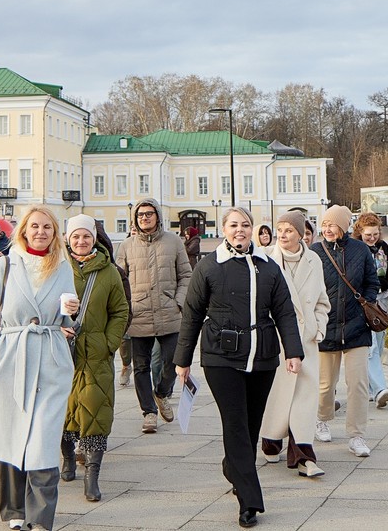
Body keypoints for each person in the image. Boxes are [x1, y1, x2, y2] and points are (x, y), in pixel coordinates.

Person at [174, 207, 304, 529]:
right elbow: (191, 314)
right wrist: (183, 359)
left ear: (253, 229)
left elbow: (285, 311)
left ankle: (234, 467)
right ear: (223, 229)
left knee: (249, 425)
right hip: (221, 357)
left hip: (262, 358)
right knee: (234, 423)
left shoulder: (268, 267)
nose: (240, 230)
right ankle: (249, 501)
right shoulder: (209, 267)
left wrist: (294, 352)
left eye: (246, 224)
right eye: (233, 225)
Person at [0, 207, 78, 531]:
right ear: (23, 230)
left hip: (50, 359)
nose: (40, 231)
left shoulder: (63, 268)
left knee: (44, 441)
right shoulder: (5, 265)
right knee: (11, 436)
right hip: (12, 357)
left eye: (47, 227)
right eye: (34, 226)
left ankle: (41, 518)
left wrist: (71, 315)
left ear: (54, 232)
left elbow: (66, 319)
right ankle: (14, 511)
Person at [61, 215, 129, 502]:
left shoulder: (109, 272)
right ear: (67, 239)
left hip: (96, 354)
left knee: (96, 411)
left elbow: (120, 311)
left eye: (86, 236)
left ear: (94, 239)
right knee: (62, 411)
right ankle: (67, 458)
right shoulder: (57, 268)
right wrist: (55, 326)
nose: (81, 241)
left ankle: (92, 474)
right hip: (61, 352)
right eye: (75, 236)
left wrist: (109, 343)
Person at [259, 211, 329, 477]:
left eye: (289, 230)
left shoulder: (314, 259)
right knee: (277, 396)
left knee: (304, 398)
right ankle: (271, 440)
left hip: (307, 341)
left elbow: (322, 300)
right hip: (277, 341)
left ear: (301, 233)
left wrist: (318, 328)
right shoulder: (265, 258)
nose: (283, 234)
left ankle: (304, 455)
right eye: (280, 229)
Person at [114, 198, 192, 434]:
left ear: (158, 215)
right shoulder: (126, 246)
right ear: (135, 219)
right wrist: (127, 309)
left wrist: (178, 302)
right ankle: (148, 412)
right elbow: (119, 281)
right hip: (139, 315)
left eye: (149, 213)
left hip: (169, 313)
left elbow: (186, 275)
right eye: (140, 215)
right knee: (141, 366)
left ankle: (161, 393)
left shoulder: (174, 242)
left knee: (173, 360)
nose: (145, 218)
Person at [312, 205, 377, 457]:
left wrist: (365, 306)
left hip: (356, 327)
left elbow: (372, 281)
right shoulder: (315, 252)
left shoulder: (360, 250)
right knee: (325, 384)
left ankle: (357, 435)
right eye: (325, 224)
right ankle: (322, 418)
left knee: (358, 384)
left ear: (344, 226)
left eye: (333, 224)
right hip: (326, 328)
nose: (327, 229)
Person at [353, 213, 388, 408]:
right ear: (360, 232)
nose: (372, 238)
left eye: (375, 234)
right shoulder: (357, 249)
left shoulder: (383, 247)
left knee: (379, 343)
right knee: (371, 348)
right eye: (368, 234)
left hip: (383, 298)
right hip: (366, 301)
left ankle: (369, 387)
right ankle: (380, 389)